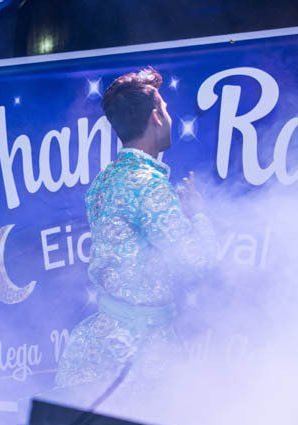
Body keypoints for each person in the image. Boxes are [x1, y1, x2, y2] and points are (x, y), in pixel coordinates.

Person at [54, 67, 216, 396]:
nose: (170, 117)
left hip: (94, 347)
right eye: (167, 110)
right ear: (156, 117)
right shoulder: (149, 185)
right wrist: (198, 216)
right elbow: (198, 261)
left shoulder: (103, 182)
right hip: (140, 356)